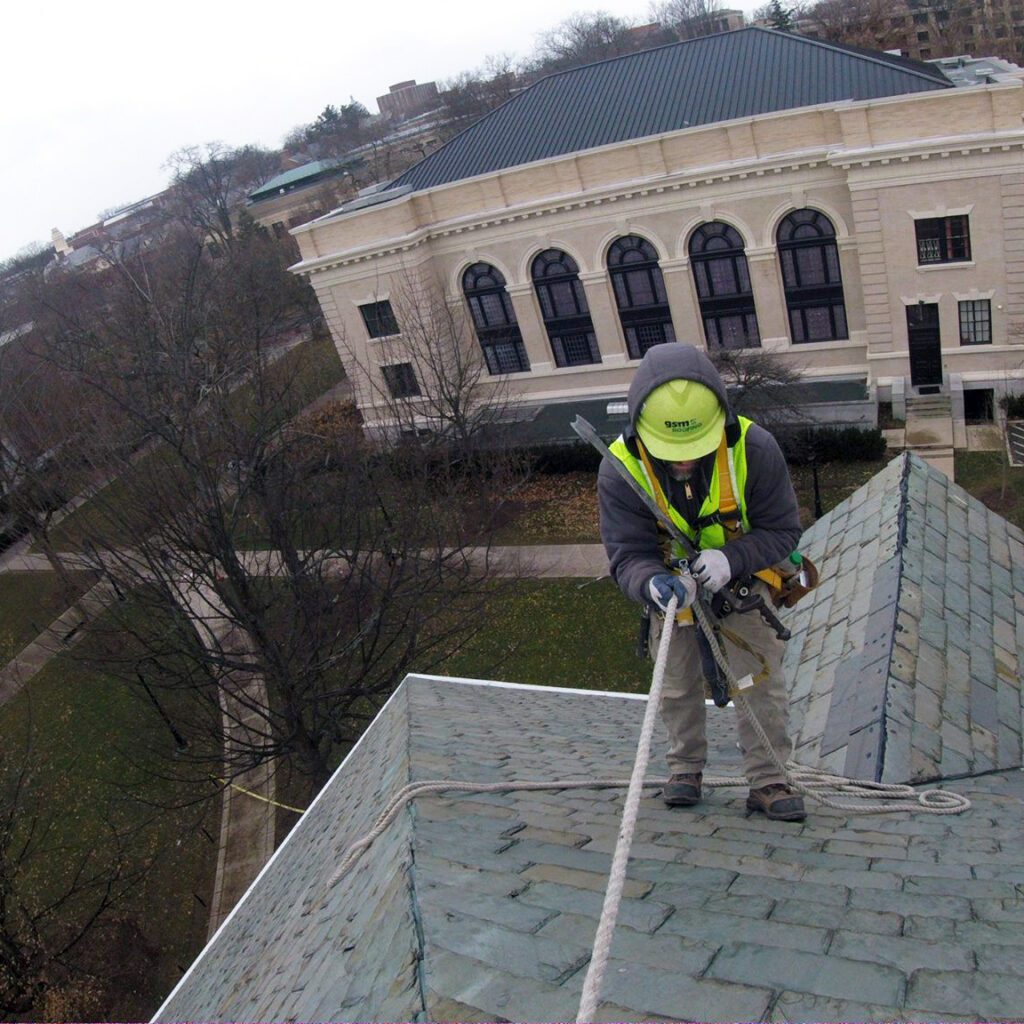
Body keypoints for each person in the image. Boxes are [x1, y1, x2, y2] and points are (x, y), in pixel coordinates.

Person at [598, 343, 806, 822]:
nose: (684, 464)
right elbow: (628, 554)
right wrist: (650, 582)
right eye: (672, 455)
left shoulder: (754, 449)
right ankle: (685, 769)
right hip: (674, 593)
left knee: (760, 683)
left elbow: (783, 530)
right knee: (675, 685)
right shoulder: (619, 468)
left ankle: (769, 779)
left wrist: (731, 559)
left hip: (742, 586)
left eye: (694, 452)